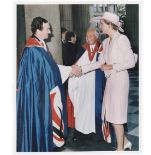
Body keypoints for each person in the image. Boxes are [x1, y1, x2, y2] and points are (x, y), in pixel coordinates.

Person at [16, 17, 81, 152]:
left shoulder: (39, 46)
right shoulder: (34, 50)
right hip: (37, 94)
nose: (50, 32)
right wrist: (70, 70)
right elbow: (50, 71)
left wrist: (69, 70)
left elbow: (50, 68)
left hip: (41, 91)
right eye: (47, 29)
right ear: (38, 30)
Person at [80, 12, 136, 151]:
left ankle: (120, 149)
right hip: (110, 81)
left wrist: (112, 66)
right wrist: (81, 69)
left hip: (120, 80)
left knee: (117, 115)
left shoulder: (122, 39)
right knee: (110, 114)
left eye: (102, 24)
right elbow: (99, 63)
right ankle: (126, 142)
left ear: (110, 25)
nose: (100, 26)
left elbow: (131, 62)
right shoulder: (106, 41)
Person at [68, 28, 106, 141]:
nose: (87, 38)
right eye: (86, 36)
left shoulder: (102, 48)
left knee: (97, 107)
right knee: (81, 107)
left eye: (90, 36)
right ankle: (80, 131)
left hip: (97, 84)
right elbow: (77, 64)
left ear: (96, 36)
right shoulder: (82, 49)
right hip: (83, 84)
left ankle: (98, 133)